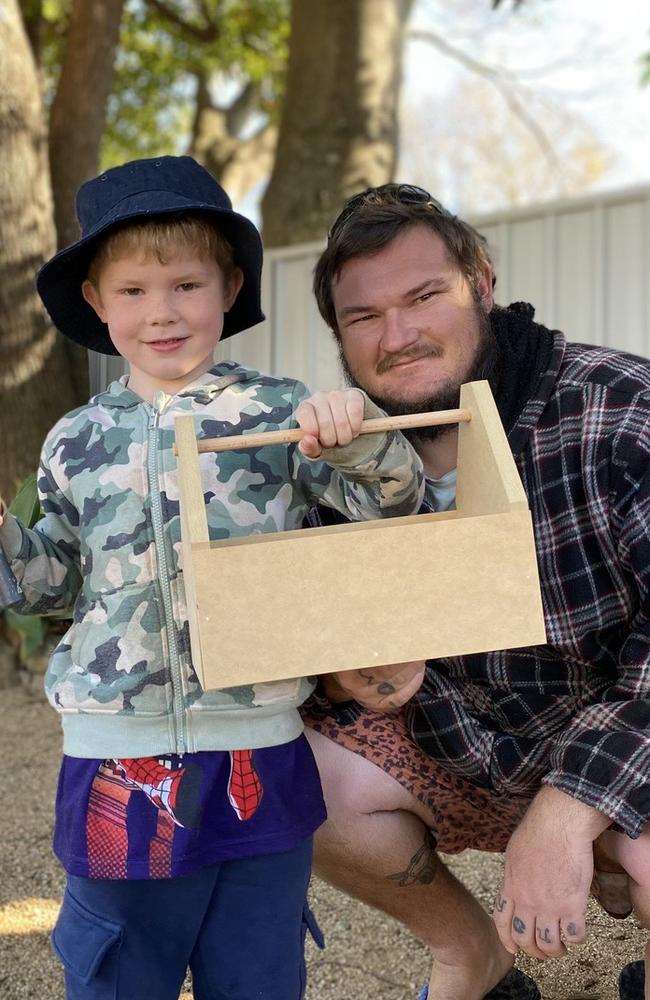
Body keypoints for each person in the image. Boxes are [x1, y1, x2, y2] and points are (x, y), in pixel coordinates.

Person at [0, 158, 425, 1000]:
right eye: (132, 291)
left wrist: (359, 437)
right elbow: (44, 583)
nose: (161, 312)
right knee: (124, 967)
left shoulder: (283, 412)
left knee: (258, 968)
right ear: (95, 300)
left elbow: (393, 509)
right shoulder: (73, 439)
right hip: (116, 758)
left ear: (229, 286)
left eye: (186, 284)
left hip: (260, 748)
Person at [303, 183, 650, 1000]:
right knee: (288, 772)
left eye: (425, 297)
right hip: (470, 754)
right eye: (365, 317)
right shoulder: (339, 465)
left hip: (621, 749)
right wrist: (347, 675)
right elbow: (312, 649)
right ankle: (473, 959)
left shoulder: (618, 412)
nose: (399, 336)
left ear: (481, 282)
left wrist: (570, 811)